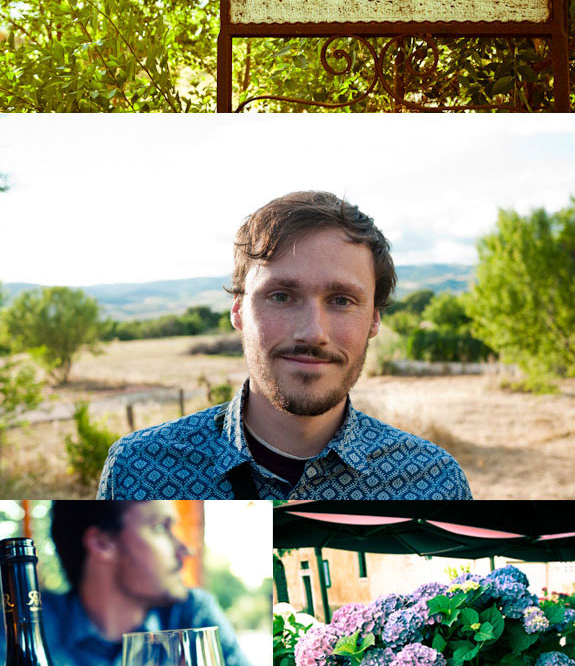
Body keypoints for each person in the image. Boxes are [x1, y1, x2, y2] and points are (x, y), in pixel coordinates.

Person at [98, 190, 471, 506]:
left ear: (374, 319)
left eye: (341, 300)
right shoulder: (139, 471)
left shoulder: (434, 482)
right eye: (281, 296)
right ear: (238, 309)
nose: (312, 333)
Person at [39, 497, 271, 666]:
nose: (185, 549)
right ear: (102, 543)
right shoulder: (29, 630)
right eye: (161, 527)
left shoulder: (192, 615)